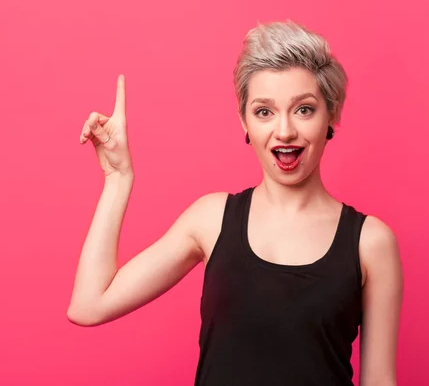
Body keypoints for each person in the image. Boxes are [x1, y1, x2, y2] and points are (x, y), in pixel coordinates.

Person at [67, 21, 404, 385]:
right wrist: (118, 180)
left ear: (331, 116)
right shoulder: (211, 220)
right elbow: (89, 305)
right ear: (243, 121)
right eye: (264, 112)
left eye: (304, 109)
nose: (285, 130)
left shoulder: (371, 243)